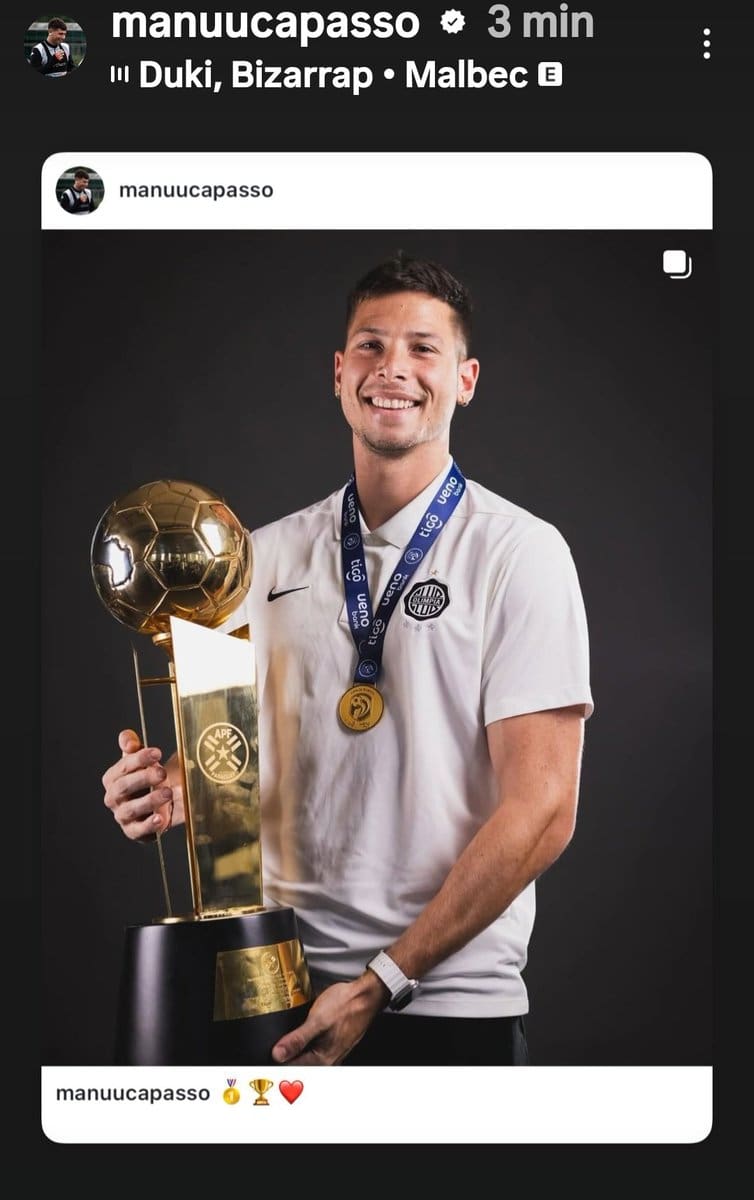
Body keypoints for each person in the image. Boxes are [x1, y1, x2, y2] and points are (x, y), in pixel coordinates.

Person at [101, 252, 594, 1066]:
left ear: (465, 379)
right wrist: (170, 790)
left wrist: (383, 979)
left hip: (448, 1003)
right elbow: (236, 770)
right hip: (276, 993)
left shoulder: (520, 554)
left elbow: (542, 809)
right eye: (371, 345)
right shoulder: (257, 558)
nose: (392, 367)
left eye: (423, 348)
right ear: (339, 374)